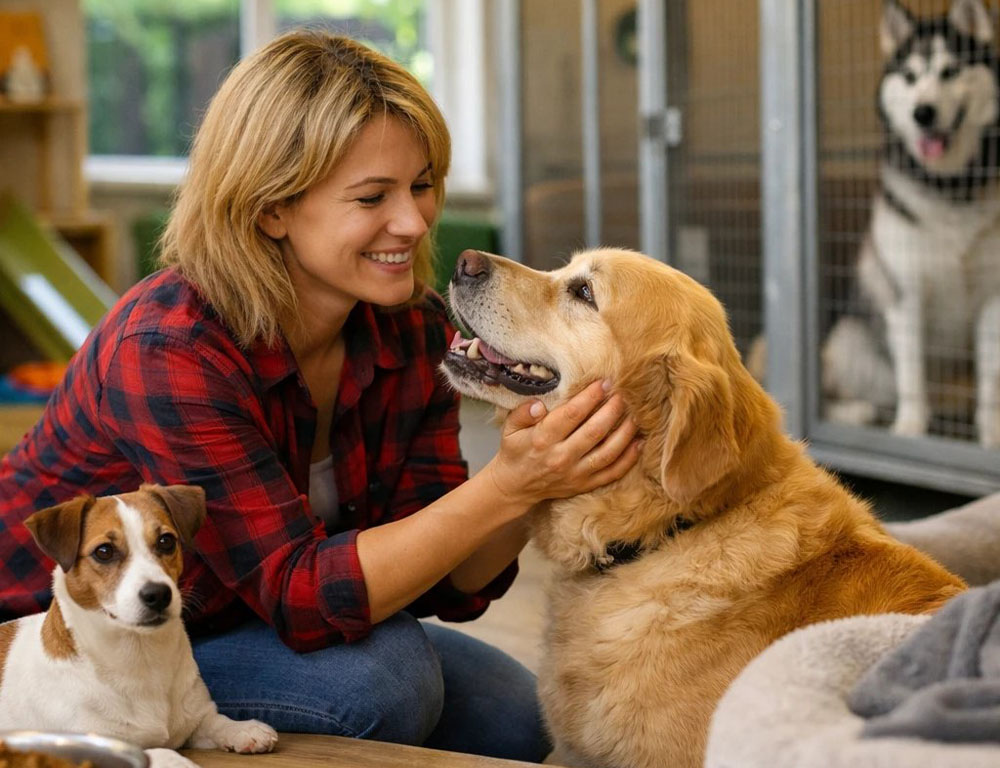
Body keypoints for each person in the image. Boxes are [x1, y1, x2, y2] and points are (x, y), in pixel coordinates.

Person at [0, 30, 640, 762]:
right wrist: (510, 484)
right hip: (66, 644)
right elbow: (303, 597)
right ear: (271, 207)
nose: (415, 221)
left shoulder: (413, 329)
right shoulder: (169, 349)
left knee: (513, 716)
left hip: (228, 618)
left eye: (423, 184)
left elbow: (448, 578)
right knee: (386, 683)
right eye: (372, 197)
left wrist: (535, 476)